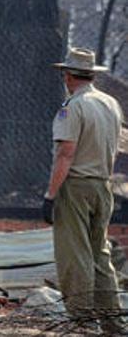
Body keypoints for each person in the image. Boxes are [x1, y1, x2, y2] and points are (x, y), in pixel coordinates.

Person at [44, 47, 124, 333]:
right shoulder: (110, 104)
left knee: (74, 254)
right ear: (91, 74)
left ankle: (82, 321)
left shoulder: (73, 107)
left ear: (68, 76)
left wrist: (51, 195)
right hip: (103, 185)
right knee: (100, 255)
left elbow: (66, 153)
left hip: (76, 186)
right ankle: (112, 321)